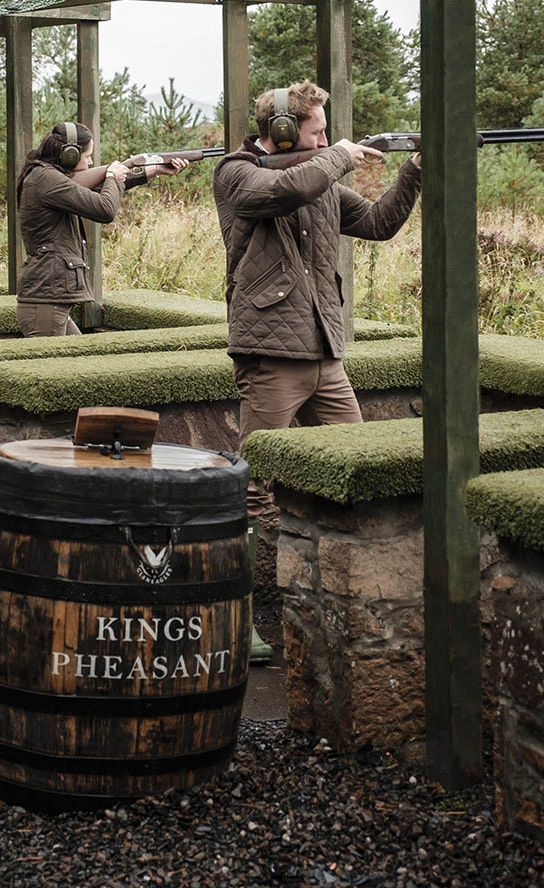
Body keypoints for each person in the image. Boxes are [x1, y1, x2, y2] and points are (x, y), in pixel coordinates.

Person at [213, 80, 422, 661]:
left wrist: (415, 171)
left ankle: (362, 602)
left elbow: (379, 223)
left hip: (325, 352)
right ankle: (234, 618)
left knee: (358, 464)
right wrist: (338, 157)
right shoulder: (236, 174)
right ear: (281, 132)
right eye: (317, 131)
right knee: (252, 493)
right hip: (271, 354)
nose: (327, 140)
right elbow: (281, 191)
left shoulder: (322, 179)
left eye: (328, 133)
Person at [15, 122, 188, 337]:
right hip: (44, 305)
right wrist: (112, 176)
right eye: (87, 156)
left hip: (49, 303)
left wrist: (151, 170)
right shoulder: (47, 179)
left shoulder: (46, 177)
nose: (90, 162)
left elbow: (95, 188)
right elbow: (105, 209)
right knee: (56, 369)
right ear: (69, 154)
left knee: (78, 364)